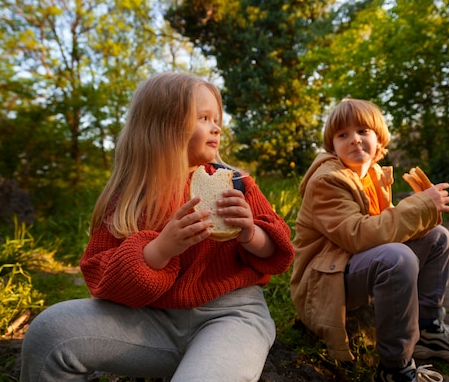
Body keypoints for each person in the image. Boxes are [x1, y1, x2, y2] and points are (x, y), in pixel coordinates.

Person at [20, 72, 295, 382]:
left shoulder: (235, 183)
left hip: (232, 316)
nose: (216, 127)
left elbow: (281, 251)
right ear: (162, 127)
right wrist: (160, 249)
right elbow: (100, 277)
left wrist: (250, 233)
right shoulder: (129, 198)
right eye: (203, 118)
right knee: (49, 332)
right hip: (150, 322)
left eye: (216, 118)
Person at [290, 98, 449, 382]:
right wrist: (418, 207)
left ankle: (428, 328)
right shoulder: (327, 181)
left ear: (379, 140)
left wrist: (425, 213)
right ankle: (395, 368)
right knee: (397, 258)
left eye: (362, 131)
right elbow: (358, 235)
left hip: (351, 266)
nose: (354, 139)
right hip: (323, 280)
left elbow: (386, 225)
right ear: (332, 146)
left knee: (437, 236)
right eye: (343, 135)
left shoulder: (375, 174)